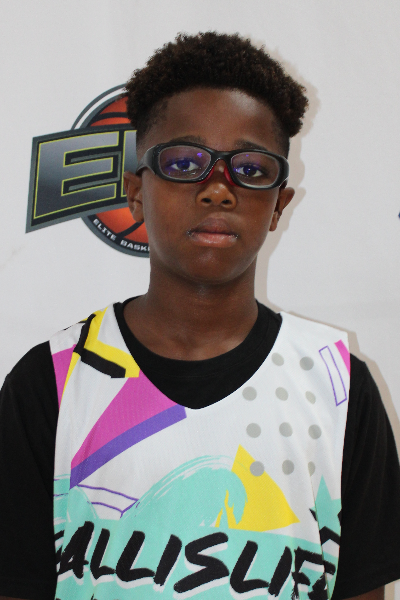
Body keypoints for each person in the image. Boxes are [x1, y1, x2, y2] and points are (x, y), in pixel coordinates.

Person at [0, 32, 399, 600]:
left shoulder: (337, 386)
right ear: (135, 192)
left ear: (279, 205)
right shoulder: (54, 382)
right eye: (184, 162)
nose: (218, 189)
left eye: (251, 169)